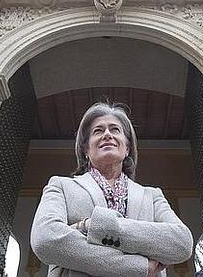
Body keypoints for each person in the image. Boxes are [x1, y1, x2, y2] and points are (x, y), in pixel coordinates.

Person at [31, 102, 193, 277]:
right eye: (98, 131)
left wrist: (91, 226)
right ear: (86, 149)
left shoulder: (152, 196)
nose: (107, 134)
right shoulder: (61, 186)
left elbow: (182, 243)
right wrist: (138, 267)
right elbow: (45, 239)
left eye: (115, 130)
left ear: (127, 148)